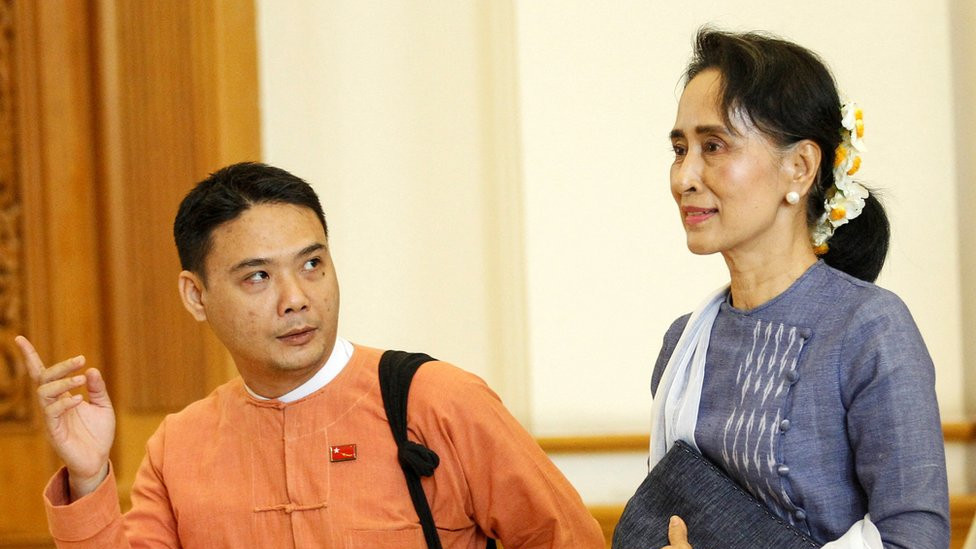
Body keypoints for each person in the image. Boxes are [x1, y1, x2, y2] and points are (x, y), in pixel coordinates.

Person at [17, 162, 605, 548]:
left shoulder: (437, 401)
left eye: (312, 264)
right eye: (257, 278)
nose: (296, 299)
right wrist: (90, 475)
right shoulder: (180, 448)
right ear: (196, 296)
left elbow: (564, 538)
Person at [623, 30, 949, 549]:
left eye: (713, 146)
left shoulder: (868, 327)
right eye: (679, 149)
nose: (684, 176)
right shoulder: (683, 344)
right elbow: (669, 513)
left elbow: (915, 538)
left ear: (799, 166)